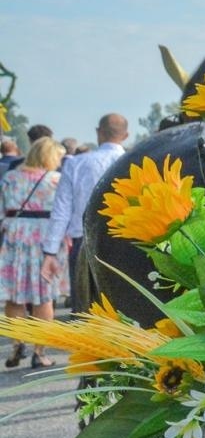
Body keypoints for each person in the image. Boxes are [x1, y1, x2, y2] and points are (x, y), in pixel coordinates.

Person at [42, 113, 129, 314]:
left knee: (85, 309)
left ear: (98, 132)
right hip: (126, 242)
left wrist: (50, 251)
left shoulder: (75, 164)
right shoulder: (134, 160)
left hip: (84, 243)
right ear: (126, 135)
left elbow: (61, 210)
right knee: (124, 308)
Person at [2, 138, 69, 368]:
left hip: (15, 238)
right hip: (45, 240)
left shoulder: (10, 178)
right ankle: (39, 352)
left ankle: (17, 343)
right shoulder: (56, 180)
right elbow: (62, 213)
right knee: (44, 296)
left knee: (14, 296)